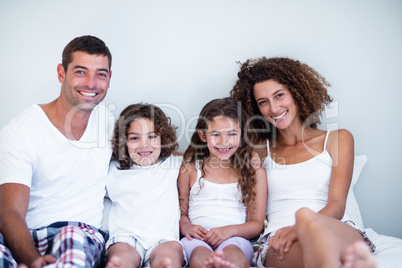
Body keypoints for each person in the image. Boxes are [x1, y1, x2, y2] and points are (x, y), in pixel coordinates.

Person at [230, 57, 376, 268]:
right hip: (279, 235)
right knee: (311, 253)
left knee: (320, 234)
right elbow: (211, 156)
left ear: (297, 92)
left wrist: (301, 226)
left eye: (279, 95)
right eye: (263, 102)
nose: (273, 108)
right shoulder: (260, 150)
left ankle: (312, 227)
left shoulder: (337, 139)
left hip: (332, 226)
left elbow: (337, 204)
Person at [0, 35, 113, 268]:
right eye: (80, 72)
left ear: (109, 79)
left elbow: (155, 156)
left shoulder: (111, 125)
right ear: (61, 73)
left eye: (100, 74)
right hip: (24, 234)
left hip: (78, 231)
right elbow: (9, 210)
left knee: (73, 247)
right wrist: (32, 259)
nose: (91, 83)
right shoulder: (22, 131)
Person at [178, 97, 267, 268]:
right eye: (216, 134)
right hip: (196, 240)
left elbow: (256, 224)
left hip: (236, 239)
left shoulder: (253, 172)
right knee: (201, 259)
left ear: (242, 135)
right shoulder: (190, 170)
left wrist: (228, 231)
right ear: (203, 136)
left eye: (232, 134)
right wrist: (187, 227)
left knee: (234, 258)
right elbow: (181, 214)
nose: (223, 142)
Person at [105, 103, 185, 268]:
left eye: (152, 136)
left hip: (164, 239)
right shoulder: (113, 169)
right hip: (125, 236)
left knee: (169, 258)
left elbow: (205, 162)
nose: (144, 145)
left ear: (163, 138)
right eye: (135, 138)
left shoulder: (174, 164)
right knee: (122, 257)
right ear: (124, 142)